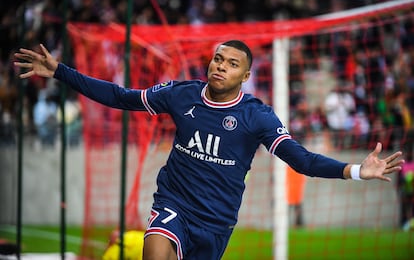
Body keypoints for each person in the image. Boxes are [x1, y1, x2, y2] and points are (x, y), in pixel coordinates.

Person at [14, 41, 404, 260]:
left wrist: (356, 170)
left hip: (216, 224)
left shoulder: (258, 117)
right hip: (174, 205)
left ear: (245, 76)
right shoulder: (180, 95)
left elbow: (301, 160)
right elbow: (120, 96)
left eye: (232, 64)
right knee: (155, 252)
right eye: (218, 58)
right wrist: (61, 71)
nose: (221, 66)